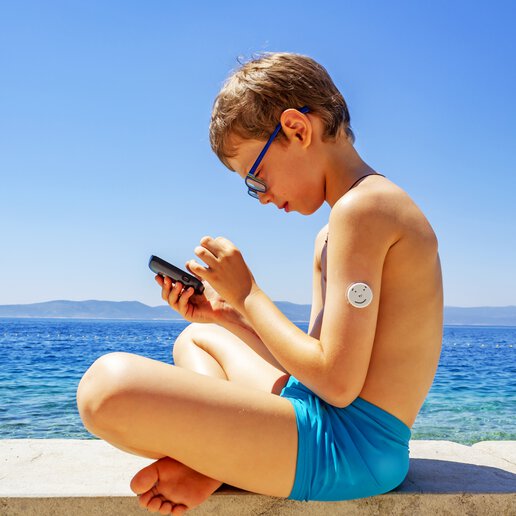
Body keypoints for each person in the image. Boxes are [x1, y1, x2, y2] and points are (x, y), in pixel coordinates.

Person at [76, 52, 443, 514]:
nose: (262, 195)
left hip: (349, 450)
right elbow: (314, 368)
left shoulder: (363, 211)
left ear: (296, 129)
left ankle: (215, 462)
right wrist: (227, 314)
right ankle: (218, 459)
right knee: (201, 336)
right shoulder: (337, 226)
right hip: (326, 421)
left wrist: (249, 292)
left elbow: (336, 384)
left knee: (106, 387)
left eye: (256, 175)